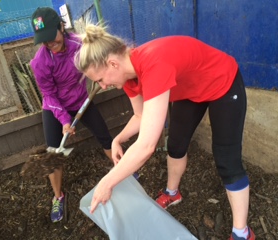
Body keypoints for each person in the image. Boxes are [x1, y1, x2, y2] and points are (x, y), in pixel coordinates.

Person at [73, 23, 255, 239]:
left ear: (112, 63)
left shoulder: (153, 66)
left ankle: (242, 232)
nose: (102, 86)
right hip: (190, 90)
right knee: (176, 145)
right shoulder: (129, 78)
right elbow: (140, 116)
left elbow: (147, 145)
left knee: (227, 159)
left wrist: (107, 182)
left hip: (222, 82)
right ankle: (172, 193)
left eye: (100, 80)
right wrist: (118, 139)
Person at [29, 7, 113, 223]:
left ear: (61, 27)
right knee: (54, 153)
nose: (49, 43)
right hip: (55, 107)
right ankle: (58, 196)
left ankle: (123, 170)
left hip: (80, 101)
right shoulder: (40, 62)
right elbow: (48, 95)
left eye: (51, 37)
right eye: (43, 40)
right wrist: (65, 121)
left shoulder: (80, 44)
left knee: (105, 137)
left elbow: (96, 61)